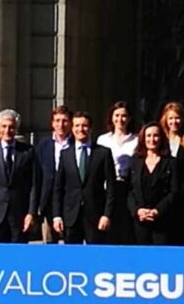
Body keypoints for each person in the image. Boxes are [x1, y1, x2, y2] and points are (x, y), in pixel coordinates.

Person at [53, 111, 117, 244]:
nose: (80, 129)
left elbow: (111, 187)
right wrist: (57, 216)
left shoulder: (103, 153)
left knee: (96, 257)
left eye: (84, 126)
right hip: (71, 216)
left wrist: (107, 215)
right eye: (77, 126)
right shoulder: (65, 154)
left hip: (95, 215)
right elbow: (58, 188)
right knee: (71, 259)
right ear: (72, 128)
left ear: (91, 128)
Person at [0, 109, 40, 243]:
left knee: (17, 259)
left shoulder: (28, 151)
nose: (7, 130)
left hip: (19, 215)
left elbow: (34, 185)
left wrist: (31, 213)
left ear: (16, 129)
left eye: (11, 127)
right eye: (4, 126)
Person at [127, 123, 181, 245]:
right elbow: (129, 190)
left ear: (161, 138)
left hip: (163, 221)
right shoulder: (135, 162)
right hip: (140, 221)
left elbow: (174, 191)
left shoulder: (171, 162)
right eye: (148, 136)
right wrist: (137, 211)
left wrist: (157, 211)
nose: (152, 139)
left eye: (156, 136)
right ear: (143, 138)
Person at [97, 101, 138, 244]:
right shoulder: (102, 140)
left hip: (127, 188)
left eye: (124, 116)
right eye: (117, 115)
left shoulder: (137, 140)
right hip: (106, 189)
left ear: (130, 118)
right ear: (111, 117)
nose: (120, 119)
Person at [34, 106, 73, 244]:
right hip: (48, 200)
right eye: (57, 121)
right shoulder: (43, 146)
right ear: (52, 123)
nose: (61, 125)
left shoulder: (76, 144)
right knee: (49, 241)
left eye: (65, 121)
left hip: (70, 199)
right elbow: (37, 175)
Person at [159, 102, 184, 181]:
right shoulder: (160, 140)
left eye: (177, 118)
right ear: (165, 120)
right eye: (171, 118)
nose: (174, 122)